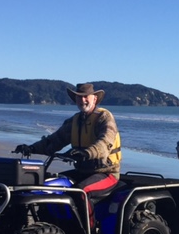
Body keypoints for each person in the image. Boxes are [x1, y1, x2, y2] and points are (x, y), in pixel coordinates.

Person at [14, 83, 122, 226]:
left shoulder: (104, 117)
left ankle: (89, 231)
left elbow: (105, 142)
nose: (82, 100)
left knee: (81, 191)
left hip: (106, 173)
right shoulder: (75, 121)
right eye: (79, 97)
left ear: (95, 98)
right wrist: (31, 148)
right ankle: (53, 225)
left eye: (86, 97)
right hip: (82, 171)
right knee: (49, 186)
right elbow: (55, 140)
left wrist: (87, 153)